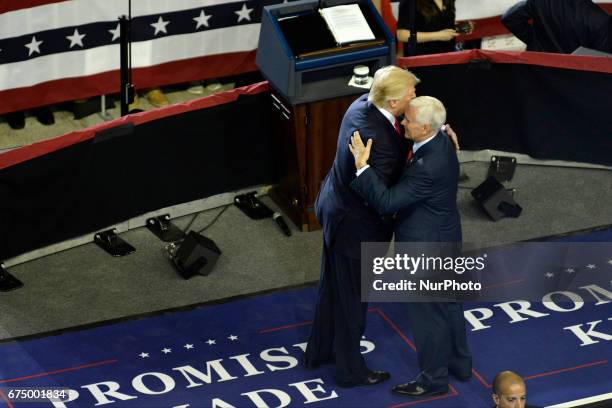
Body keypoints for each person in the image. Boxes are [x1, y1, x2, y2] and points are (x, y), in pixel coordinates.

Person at [303, 66, 419, 388]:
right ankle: (351, 371)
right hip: (357, 228)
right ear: (394, 101)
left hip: (334, 210)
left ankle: (319, 352)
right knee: (353, 301)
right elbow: (381, 199)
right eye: (411, 94)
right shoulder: (378, 140)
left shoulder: (361, 104)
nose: (414, 97)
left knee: (332, 289)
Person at [348, 96, 471, 397]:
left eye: (409, 121)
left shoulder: (428, 165)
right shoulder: (440, 139)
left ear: (427, 127)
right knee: (450, 306)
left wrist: (363, 168)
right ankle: (460, 363)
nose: (403, 123)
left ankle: (433, 380)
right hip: (445, 237)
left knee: (428, 317)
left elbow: (387, 201)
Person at [501, 0, 612, 54]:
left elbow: (509, 18)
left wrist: (535, 41)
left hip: (539, 73)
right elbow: (601, 64)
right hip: (576, 83)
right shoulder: (601, 21)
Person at [396, 0, 471, 55]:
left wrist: (460, 28)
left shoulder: (448, 1)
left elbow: (439, 25)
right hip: (423, 60)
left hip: (449, 56)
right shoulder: (410, 2)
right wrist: (438, 35)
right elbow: (402, 35)